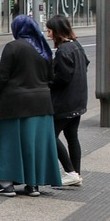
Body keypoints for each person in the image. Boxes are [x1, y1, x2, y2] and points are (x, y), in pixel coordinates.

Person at [0, 15, 61, 196]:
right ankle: (33, 185)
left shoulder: (13, 47)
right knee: (34, 144)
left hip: (14, 103)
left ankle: (6, 184)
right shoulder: (44, 49)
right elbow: (50, 77)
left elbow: (2, 76)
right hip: (42, 103)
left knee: (9, 143)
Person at [45, 14, 88, 187]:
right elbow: (85, 64)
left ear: (57, 31)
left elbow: (61, 78)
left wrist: (46, 81)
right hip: (78, 100)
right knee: (72, 137)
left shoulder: (63, 51)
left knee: (50, 136)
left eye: (49, 31)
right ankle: (75, 173)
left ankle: (70, 172)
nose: (48, 35)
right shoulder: (77, 46)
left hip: (64, 102)